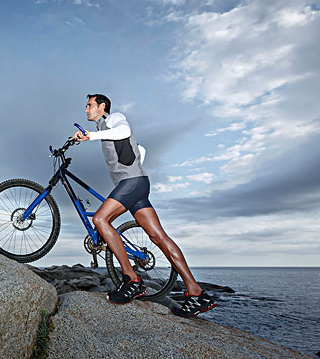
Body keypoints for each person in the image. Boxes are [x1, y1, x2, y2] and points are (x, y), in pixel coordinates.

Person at [73, 94, 216, 317]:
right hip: (137, 184)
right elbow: (141, 150)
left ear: (102, 107)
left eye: (89, 105)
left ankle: (131, 279)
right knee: (159, 237)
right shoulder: (105, 128)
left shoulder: (115, 118)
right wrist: (134, 167)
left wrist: (90, 136)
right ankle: (196, 293)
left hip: (132, 184)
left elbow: (125, 132)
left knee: (100, 219)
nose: (86, 109)